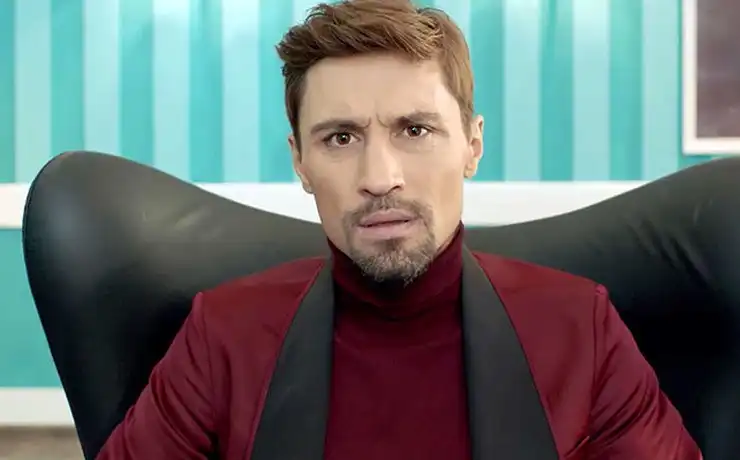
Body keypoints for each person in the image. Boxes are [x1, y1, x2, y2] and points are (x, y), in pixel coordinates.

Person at [96, 1, 701, 459]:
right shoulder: (221, 337)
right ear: (300, 162)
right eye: (341, 138)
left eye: (415, 131)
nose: (380, 178)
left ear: (472, 146)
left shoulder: (581, 328)